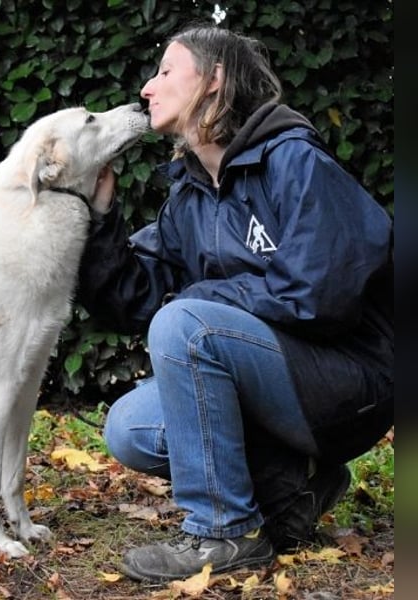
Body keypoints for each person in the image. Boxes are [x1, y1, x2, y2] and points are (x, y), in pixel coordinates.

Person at [76, 24, 393, 582]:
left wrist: (203, 299)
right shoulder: (190, 194)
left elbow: (322, 297)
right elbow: (140, 296)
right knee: (130, 427)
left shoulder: (295, 161)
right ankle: (293, 485)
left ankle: (224, 533)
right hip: (282, 388)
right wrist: (100, 219)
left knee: (188, 324)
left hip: (351, 382)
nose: (148, 88)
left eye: (166, 71)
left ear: (215, 80)